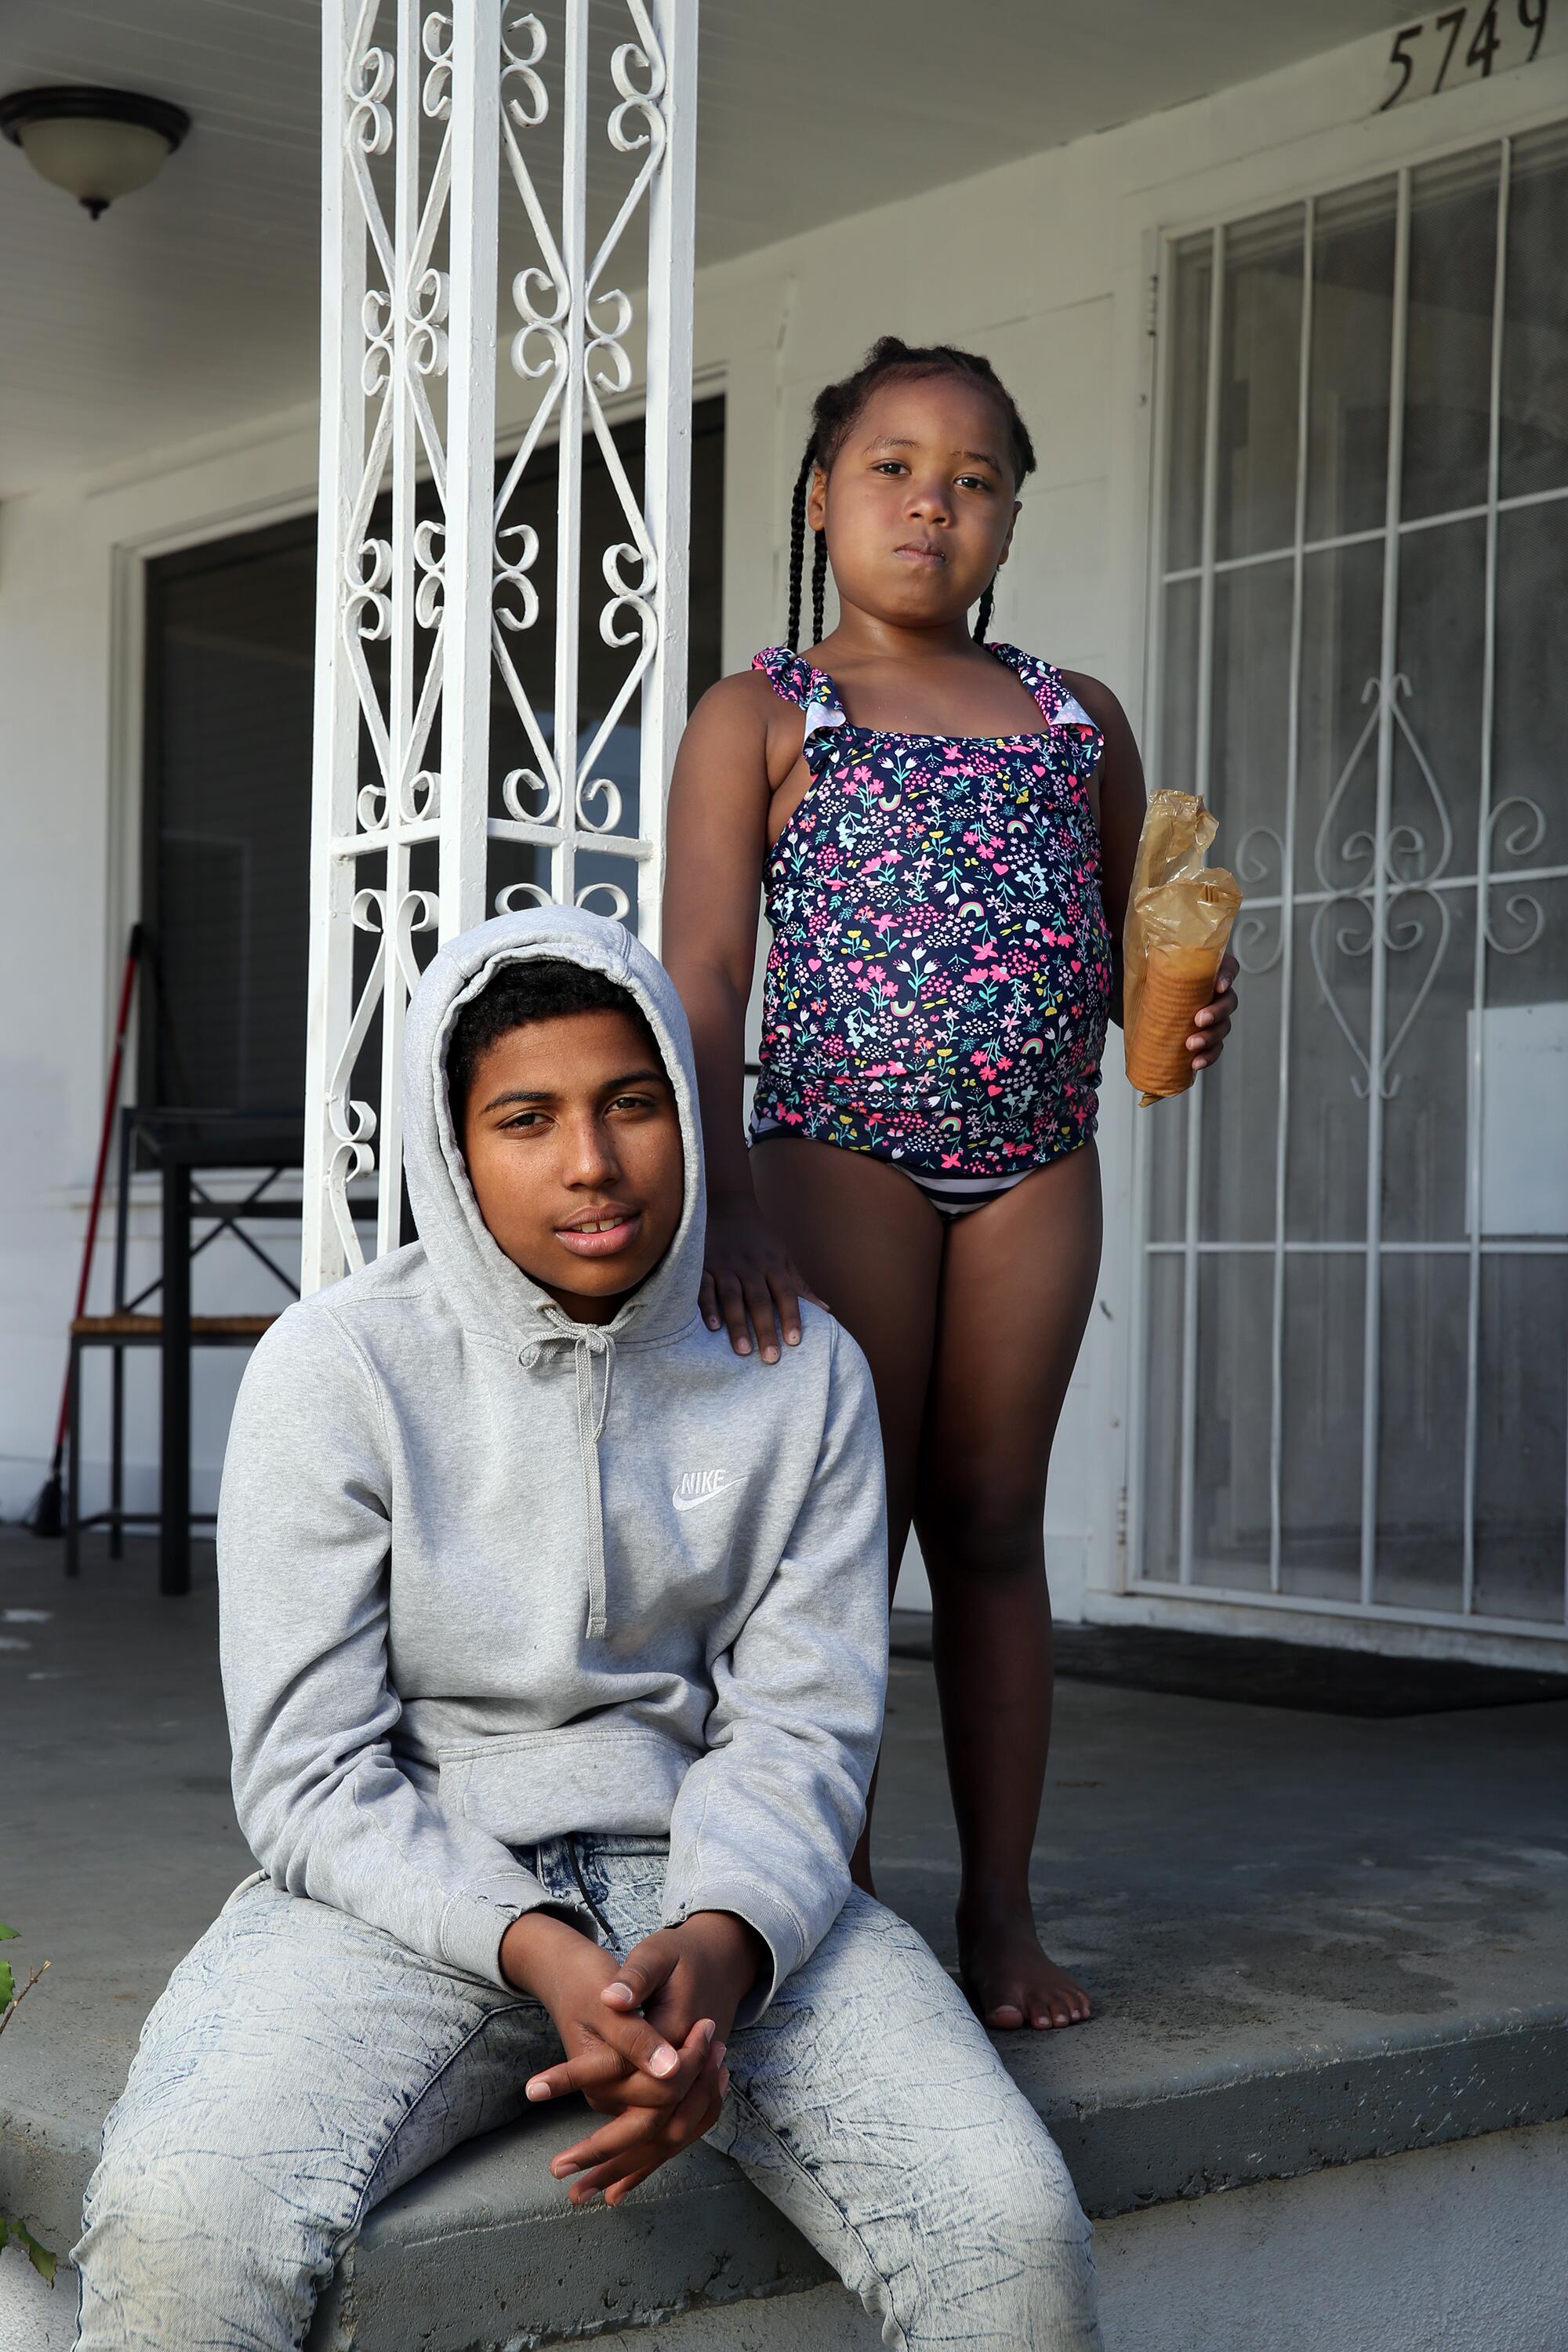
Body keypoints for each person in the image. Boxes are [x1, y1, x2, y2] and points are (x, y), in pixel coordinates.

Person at [72, 906, 1102, 2351]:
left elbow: (806, 1726)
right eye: (525, 1119)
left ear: (685, 1107)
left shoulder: (801, 1376)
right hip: (405, 1893)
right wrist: (542, 1949)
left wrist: (729, 1943)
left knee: (1010, 2234)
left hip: (710, 1881)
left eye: (631, 1104)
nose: (592, 1165)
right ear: (451, 1143)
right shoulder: (342, 1369)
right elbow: (308, 1775)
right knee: (181, 2226)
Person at [662, 335, 1239, 2034]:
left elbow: (1144, 947)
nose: (935, 503)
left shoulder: (1077, 718)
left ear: (1008, 519)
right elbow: (702, 973)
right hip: (833, 1149)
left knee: (990, 1530)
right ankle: (816, 1899)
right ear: (822, 495)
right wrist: (736, 1197)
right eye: (896, 468)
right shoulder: (765, 709)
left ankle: (998, 1913)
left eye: (975, 480)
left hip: (1033, 1164)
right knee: (844, 1547)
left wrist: (1185, 1013)